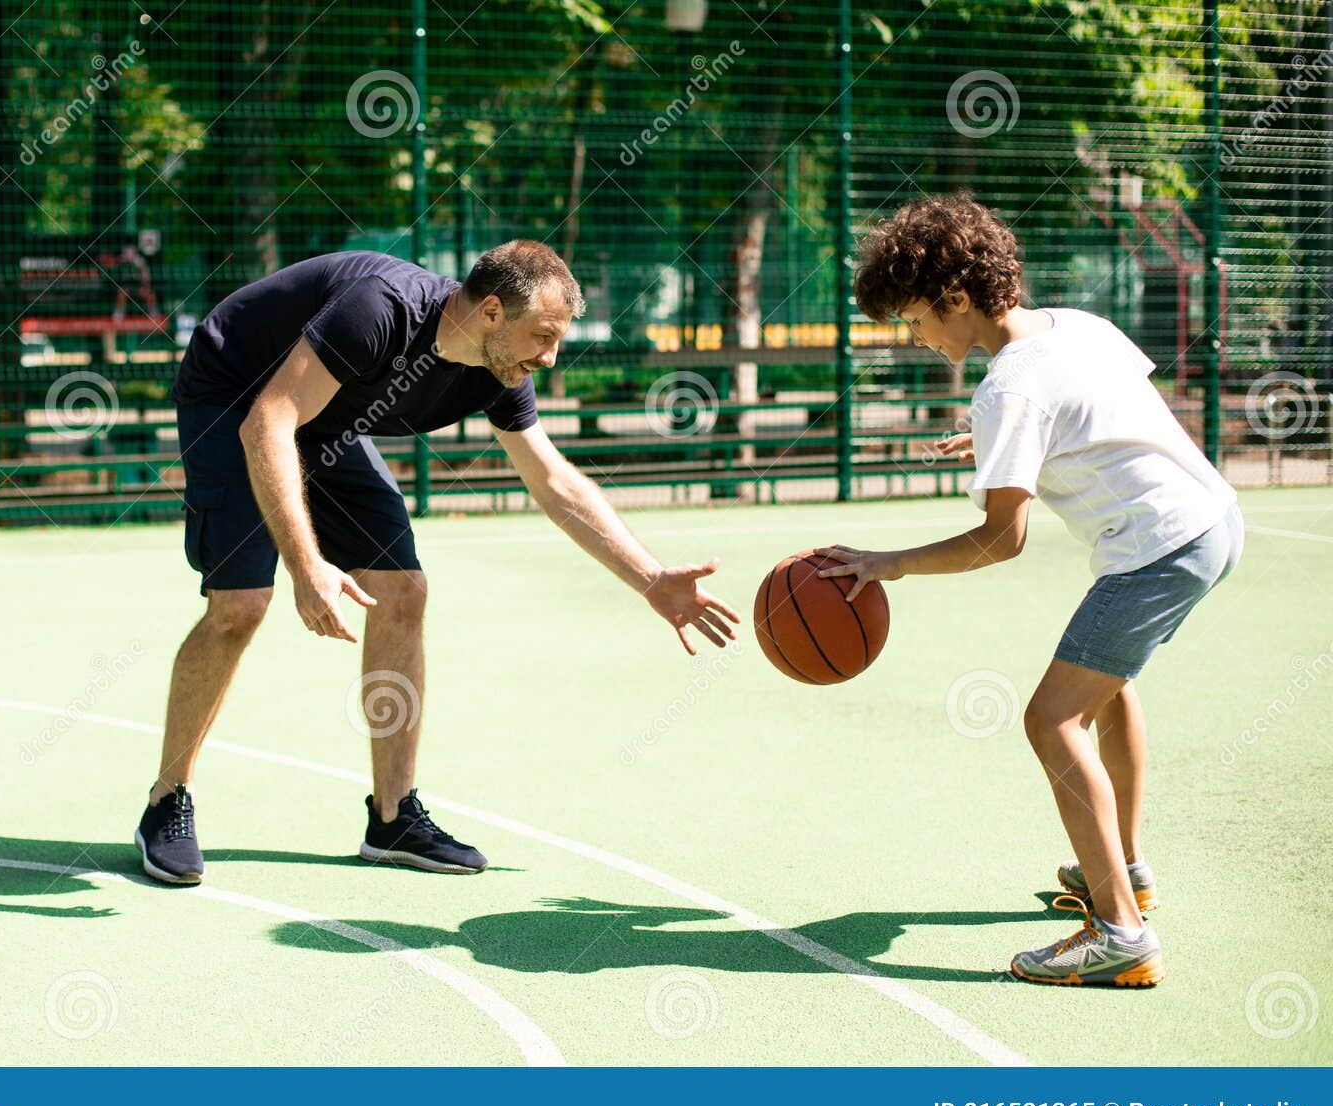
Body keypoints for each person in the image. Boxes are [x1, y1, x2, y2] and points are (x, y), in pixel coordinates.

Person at [138, 241, 739, 883]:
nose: (550, 356)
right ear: (489, 313)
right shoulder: (379, 311)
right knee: (241, 605)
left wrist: (650, 579)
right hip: (237, 391)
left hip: (325, 415)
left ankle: (393, 818)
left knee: (404, 591)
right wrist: (307, 563)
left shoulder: (497, 367)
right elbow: (269, 423)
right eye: (542, 336)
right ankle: (167, 801)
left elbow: (553, 483)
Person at [818, 193, 1242, 986]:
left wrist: (889, 562)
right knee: (1109, 691)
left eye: (913, 319)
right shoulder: (1076, 326)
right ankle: (1129, 871)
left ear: (953, 298)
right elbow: (1097, 404)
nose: (914, 337)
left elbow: (1000, 539)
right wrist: (998, 433)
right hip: (1211, 519)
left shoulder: (1008, 386)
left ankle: (1120, 932)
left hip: (1157, 547)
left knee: (1052, 719)